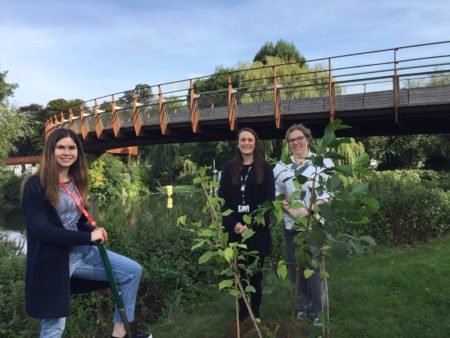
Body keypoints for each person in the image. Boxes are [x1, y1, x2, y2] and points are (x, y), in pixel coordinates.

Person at [22, 128, 151, 338]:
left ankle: (120, 333)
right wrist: (88, 236)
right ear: (50, 151)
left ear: (77, 152)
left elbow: (79, 221)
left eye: (72, 148)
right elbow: (42, 230)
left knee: (132, 272)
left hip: (84, 253)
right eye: (61, 147)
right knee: (54, 325)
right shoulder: (35, 185)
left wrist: (92, 229)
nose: (67, 152)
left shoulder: (75, 181)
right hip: (54, 261)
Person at [273, 124, 333, 327]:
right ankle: (301, 307)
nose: (296, 143)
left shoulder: (322, 163)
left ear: (308, 139)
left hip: (315, 224)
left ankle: (317, 311)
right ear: (288, 144)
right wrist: (292, 211)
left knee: (313, 267)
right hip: (292, 225)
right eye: (291, 140)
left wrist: (309, 211)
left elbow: (328, 193)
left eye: (300, 138)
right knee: (295, 268)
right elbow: (277, 194)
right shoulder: (281, 168)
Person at [218, 127, 275, 322]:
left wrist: (252, 226)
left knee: (255, 275)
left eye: (250, 140)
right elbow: (221, 200)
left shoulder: (265, 168)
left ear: (255, 143)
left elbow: (269, 200)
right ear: (238, 143)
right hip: (234, 231)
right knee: (239, 274)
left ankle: (255, 314)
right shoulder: (228, 168)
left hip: (257, 232)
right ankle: (243, 315)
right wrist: (234, 224)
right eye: (243, 140)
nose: (246, 143)